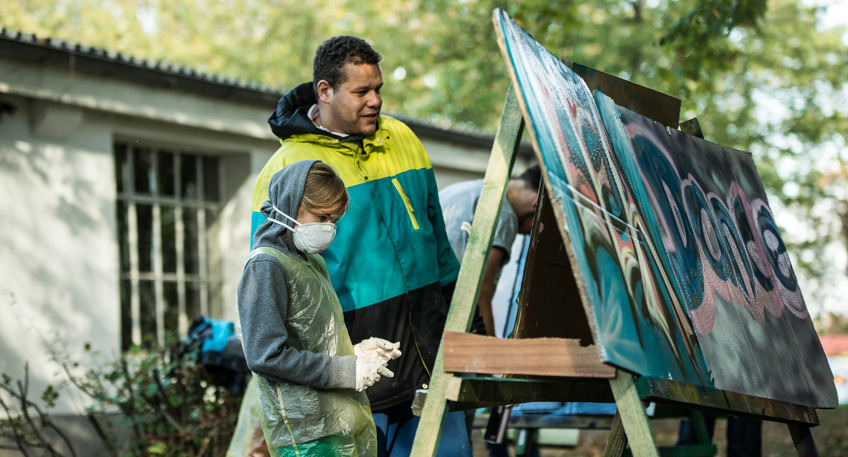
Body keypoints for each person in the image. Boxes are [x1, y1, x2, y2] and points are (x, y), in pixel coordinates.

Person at [249, 36, 471, 457]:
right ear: (325, 91)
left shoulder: (402, 138)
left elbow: (438, 238)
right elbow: (273, 287)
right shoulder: (289, 168)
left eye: (379, 89)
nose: (375, 101)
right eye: (361, 91)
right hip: (359, 370)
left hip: (431, 356)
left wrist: (465, 314)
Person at [233, 160, 402, 457]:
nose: (328, 229)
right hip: (307, 436)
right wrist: (346, 370)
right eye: (322, 216)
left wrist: (357, 352)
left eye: (333, 220)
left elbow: (312, 340)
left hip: (339, 421)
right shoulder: (266, 265)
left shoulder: (312, 263)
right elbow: (265, 356)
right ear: (292, 203)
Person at [439, 165, 541, 337]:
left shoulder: (469, 188)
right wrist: (490, 352)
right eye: (534, 228)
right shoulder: (504, 213)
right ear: (536, 203)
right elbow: (479, 292)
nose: (527, 233)